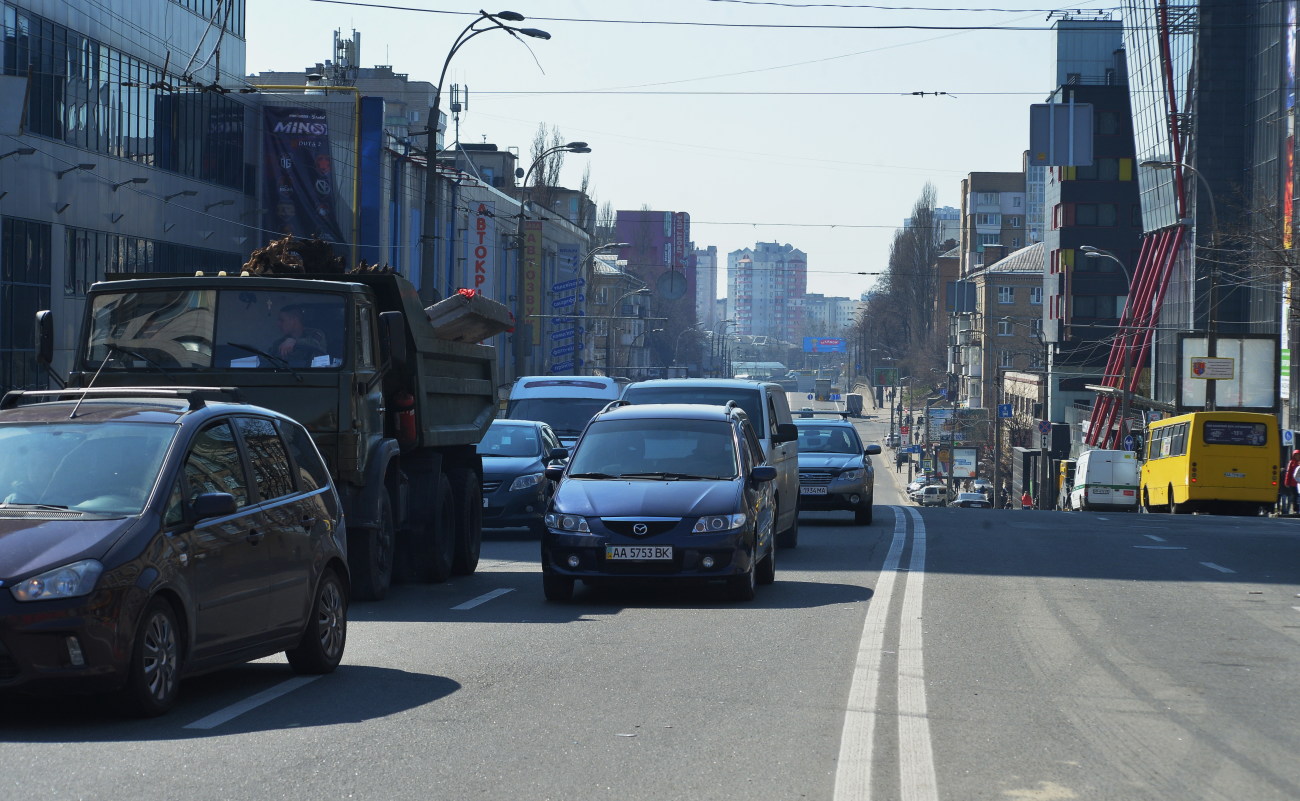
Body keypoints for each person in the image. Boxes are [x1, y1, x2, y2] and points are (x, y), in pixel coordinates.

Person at [1282, 449, 1300, 517]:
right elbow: (1288, 473)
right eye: (1296, 455)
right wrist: (1286, 482)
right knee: (1294, 497)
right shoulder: (1291, 462)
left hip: (1298, 483)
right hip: (1293, 483)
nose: (1297, 456)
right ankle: (1295, 509)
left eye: (1298, 455)